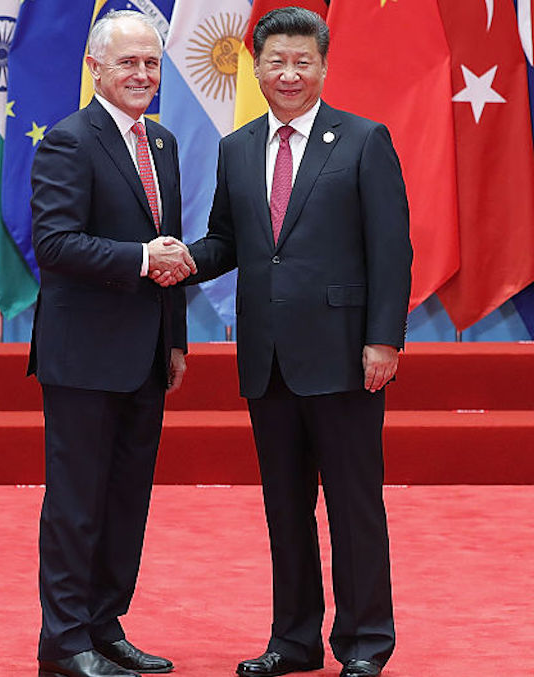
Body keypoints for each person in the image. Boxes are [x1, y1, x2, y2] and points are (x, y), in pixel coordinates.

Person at [180, 7, 412, 677]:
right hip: (268, 357)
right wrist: (181, 259)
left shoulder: (364, 141)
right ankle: (294, 639)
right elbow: (229, 239)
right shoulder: (238, 147)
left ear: (322, 66)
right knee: (285, 508)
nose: (289, 73)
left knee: (353, 505)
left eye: (302, 61)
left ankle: (365, 641)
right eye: (276, 61)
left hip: (345, 355)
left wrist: (383, 340)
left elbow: (391, 250)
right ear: (256, 66)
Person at [27, 10, 195, 677]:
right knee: (77, 503)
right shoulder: (70, 141)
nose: (143, 75)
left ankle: (105, 622)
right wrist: (140, 258)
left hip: (147, 354)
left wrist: (175, 338)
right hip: (84, 356)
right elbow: (56, 243)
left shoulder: (163, 144)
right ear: (96, 67)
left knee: (127, 499)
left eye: (152, 63)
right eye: (128, 62)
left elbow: (173, 250)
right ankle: (64, 641)